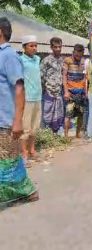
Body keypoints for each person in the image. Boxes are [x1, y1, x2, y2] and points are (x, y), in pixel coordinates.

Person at [0, 17, 38, 204]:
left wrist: (17, 120)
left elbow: (19, 88)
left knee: (8, 160)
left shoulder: (9, 56)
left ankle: (22, 192)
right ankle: (27, 192)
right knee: (9, 160)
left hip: (6, 120)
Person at [20, 35, 42, 162]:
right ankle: (24, 153)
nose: (34, 48)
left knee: (35, 127)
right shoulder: (20, 60)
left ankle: (32, 150)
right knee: (25, 128)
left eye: (35, 45)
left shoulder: (37, 59)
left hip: (38, 97)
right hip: (27, 97)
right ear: (24, 47)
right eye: (31, 46)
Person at [41, 37, 65, 134]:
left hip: (58, 92)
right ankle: (46, 135)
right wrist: (44, 89)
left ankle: (54, 134)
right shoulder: (46, 60)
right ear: (51, 47)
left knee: (58, 114)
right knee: (47, 114)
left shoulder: (62, 60)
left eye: (59, 47)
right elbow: (41, 76)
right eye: (55, 47)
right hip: (48, 91)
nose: (58, 49)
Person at [63, 44, 87, 138]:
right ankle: (65, 136)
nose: (78, 57)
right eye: (76, 55)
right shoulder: (67, 61)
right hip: (70, 92)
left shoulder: (84, 62)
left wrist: (84, 91)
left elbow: (85, 78)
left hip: (80, 92)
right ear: (73, 52)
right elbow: (64, 76)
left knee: (81, 114)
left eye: (80, 55)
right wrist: (66, 91)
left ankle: (78, 134)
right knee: (68, 114)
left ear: (82, 53)